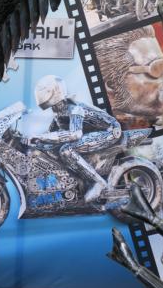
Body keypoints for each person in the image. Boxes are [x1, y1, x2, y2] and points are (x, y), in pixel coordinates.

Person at [25, 75, 122, 203]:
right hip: (92, 133)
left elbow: (75, 134)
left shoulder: (75, 109)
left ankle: (98, 182)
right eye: (52, 106)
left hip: (110, 131)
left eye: (55, 105)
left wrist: (41, 136)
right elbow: (51, 134)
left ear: (60, 98)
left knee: (66, 150)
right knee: (48, 148)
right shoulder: (58, 114)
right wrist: (37, 141)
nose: (54, 108)